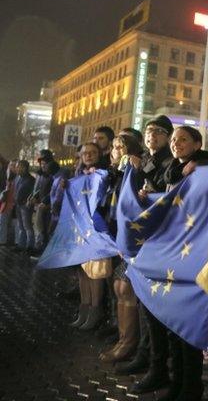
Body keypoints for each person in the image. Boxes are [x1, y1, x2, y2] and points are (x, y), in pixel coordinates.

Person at [158, 125, 208, 401]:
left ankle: (192, 386)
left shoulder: (205, 168)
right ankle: (176, 380)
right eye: (173, 140)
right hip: (171, 252)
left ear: (197, 144)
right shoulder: (170, 170)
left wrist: (201, 168)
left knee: (188, 324)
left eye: (183, 139)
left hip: (192, 255)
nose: (176, 143)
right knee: (172, 323)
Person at [128, 115, 175, 394]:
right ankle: (148, 359)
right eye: (148, 131)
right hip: (144, 241)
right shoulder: (144, 159)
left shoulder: (169, 163)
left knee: (159, 310)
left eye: (158, 132)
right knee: (145, 304)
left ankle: (160, 368)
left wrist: (148, 185)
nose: (151, 136)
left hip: (163, 243)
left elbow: (168, 194)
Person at [99, 133, 143, 364]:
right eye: (114, 147)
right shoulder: (114, 174)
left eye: (121, 147)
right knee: (117, 288)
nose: (116, 151)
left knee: (125, 289)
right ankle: (122, 337)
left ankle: (129, 343)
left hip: (131, 239)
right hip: (115, 237)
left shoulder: (135, 170)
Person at [69, 142, 110, 331]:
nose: (89, 155)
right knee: (82, 273)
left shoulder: (104, 174)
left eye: (93, 153)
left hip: (97, 229)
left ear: (100, 155)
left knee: (95, 273)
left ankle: (96, 310)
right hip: (80, 229)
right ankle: (83, 308)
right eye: (85, 153)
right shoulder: (78, 175)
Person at [29, 150, 62, 257]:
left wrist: (45, 201)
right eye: (41, 163)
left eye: (45, 163)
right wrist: (33, 197)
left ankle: (42, 250)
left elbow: (52, 191)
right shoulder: (40, 174)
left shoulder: (52, 175)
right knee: (38, 227)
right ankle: (38, 247)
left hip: (47, 207)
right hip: (39, 205)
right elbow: (37, 189)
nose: (43, 166)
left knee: (44, 229)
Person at [12, 160, 35, 255]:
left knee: (27, 226)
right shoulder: (17, 177)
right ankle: (21, 245)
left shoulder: (30, 179)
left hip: (25, 206)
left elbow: (33, 193)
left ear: (24, 168)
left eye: (18, 167)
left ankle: (30, 246)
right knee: (21, 226)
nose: (16, 169)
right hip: (18, 205)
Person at [0, 160, 17, 246]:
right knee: (3, 221)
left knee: (13, 223)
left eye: (14, 166)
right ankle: (3, 240)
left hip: (13, 203)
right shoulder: (7, 176)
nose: (11, 167)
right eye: (10, 165)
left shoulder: (17, 178)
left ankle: (11, 240)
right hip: (5, 202)